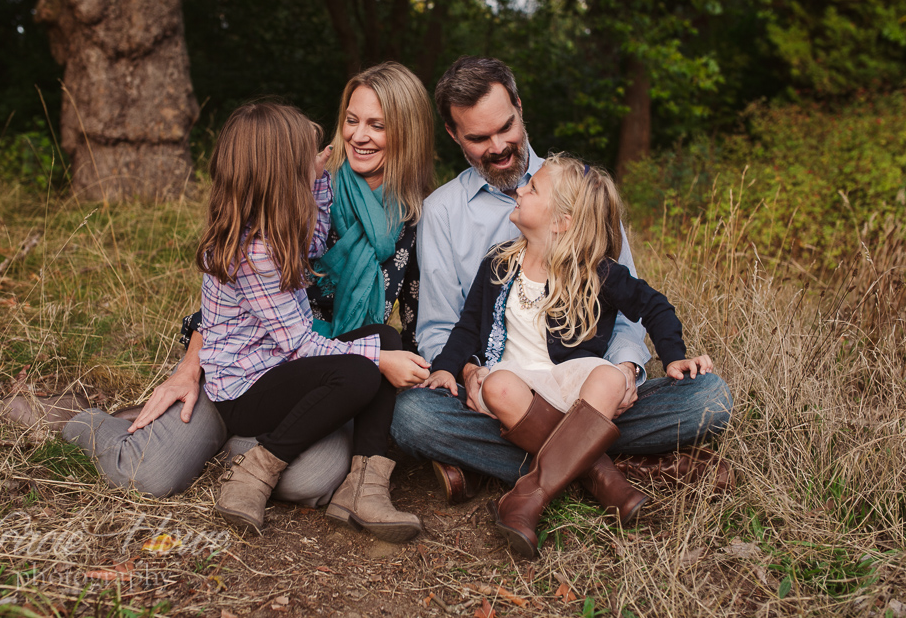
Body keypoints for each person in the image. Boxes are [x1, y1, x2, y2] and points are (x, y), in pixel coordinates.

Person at [391, 56, 733, 505]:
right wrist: (470, 374)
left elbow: (632, 305)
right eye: (478, 137)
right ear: (454, 135)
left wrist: (627, 372)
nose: (498, 146)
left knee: (709, 398)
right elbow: (441, 328)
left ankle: (518, 468)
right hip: (503, 393)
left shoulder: (576, 188)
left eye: (505, 127)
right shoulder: (441, 213)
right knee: (414, 417)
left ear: (519, 105)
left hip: (589, 386)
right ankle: (610, 469)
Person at [146, 102, 429, 539]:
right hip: (246, 389)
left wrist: (313, 180)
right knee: (362, 369)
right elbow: (299, 344)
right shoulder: (256, 252)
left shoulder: (278, 227)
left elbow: (315, 244)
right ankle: (253, 475)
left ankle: (363, 488)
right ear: (282, 176)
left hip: (276, 368)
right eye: (306, 160)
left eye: (376, 124)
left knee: (385, 338)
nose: (352, 138)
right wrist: (379, 362)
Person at [421, 155, 715, 557]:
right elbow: (468, 327)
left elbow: (655, 306)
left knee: (627, 381)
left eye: (533, 188)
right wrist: (444, 370)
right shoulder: (499, 262)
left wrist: (674, 357)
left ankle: (526, 495)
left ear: (562, 221)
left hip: (575, 390)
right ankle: (605, 473)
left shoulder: (597, 272)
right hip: (518, 390)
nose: (520, 188)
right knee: (491, 389)